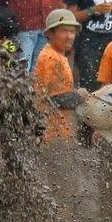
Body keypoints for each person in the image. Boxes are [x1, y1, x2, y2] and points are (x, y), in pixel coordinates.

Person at [34, 7, 82, 141]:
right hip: (52, 132)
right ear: (50, 33)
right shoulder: (51, 58)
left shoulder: (57, 55)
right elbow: (50, 98)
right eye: (64, 31)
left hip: (60, 129)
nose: (69, 36)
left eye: (72, 32)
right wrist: (80, 97)